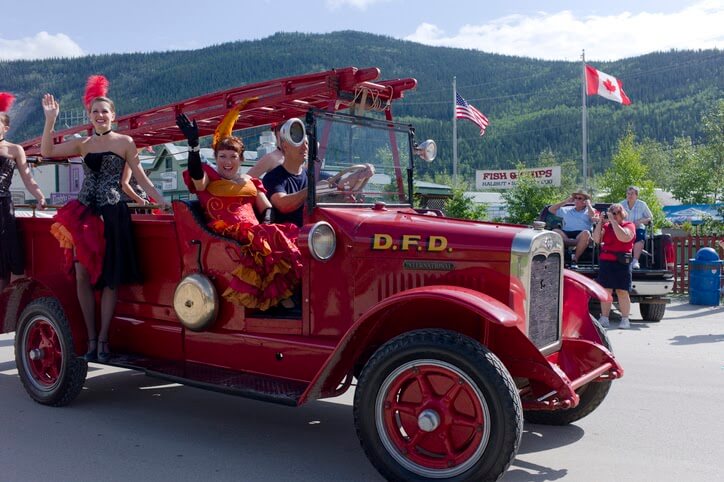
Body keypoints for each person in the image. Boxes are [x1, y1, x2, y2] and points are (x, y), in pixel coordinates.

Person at [41, 75, 167, 362]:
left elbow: (141, 178)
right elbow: (47, 151)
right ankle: (90, 337)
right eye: (95, 111)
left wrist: (161, 201)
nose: (100, 115)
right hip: (84, 213)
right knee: (82, 275)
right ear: (89, 115)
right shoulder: (83, 144)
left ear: (113, 115)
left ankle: (104, 341)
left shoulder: (125, 142)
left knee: (110, 279)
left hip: (112, 214)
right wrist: (51, 120)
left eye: (104, 111)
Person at [176, 110, 302, 311]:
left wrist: (266, 227)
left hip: (254, 231)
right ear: (216, 158)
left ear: (241, 159)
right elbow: (196, 175)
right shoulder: (210, 178)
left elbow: (266, 207)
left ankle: (283, 295)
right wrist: (193, 146)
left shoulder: (251, 182)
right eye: (222, 156)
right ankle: (276, 299)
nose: (227, 161)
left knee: (284, 236)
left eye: (232, 156)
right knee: (262, 238)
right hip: (225, 230)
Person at [0, 92, 47, 291]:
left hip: (3, 207)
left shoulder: (14, 149)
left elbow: (28, 178)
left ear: (6, 127)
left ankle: (5, 313)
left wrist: (40, 196)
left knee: (7, 261)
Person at [592, 203, 636, 329]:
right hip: (606, 261)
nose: (613, 215)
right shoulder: (606, 226)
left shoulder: (629, 225)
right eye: (611, 213)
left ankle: (625, 319)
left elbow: (624, 238)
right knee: (606, 290)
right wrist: (600, 222)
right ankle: (604, 318)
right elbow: (596, 239)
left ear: (622, 214)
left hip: (622, 262)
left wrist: (613, 221)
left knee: (622, 291)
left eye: (616, 213)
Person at [262, 118, 309, 227]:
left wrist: (355, 177)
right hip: (287, 239)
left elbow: (336, 183)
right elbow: (283, 204)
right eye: (299, 142)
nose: (305, 147)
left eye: (306, 143)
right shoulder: (272, 178)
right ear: (285, 146)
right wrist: (313, 190)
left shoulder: (313, 175)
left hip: (316, 238)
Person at [549, 189, 596, 267]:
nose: (576, 200)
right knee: (555, 231)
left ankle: (575, 259)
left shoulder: (590, 210)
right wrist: (565, 201)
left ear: (585, 201)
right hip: (566, 234)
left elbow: (593, 217)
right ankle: (560, 259)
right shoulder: (567, 209)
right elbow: (551, 209)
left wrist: (588, 205)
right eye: (575, 198)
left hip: (581, 235)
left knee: (586, 233)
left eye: (579, 198)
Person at [620, 185, 652, 269]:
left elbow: (650, 217)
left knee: (640, 236)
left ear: (636, 195)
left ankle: (635, 261)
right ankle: (621, 260)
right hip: (625, 228)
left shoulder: (642, 204)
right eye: (628, 193)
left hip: (638, 227)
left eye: (632, 194)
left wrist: (640, 221)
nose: (630, 195)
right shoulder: (621, 204)